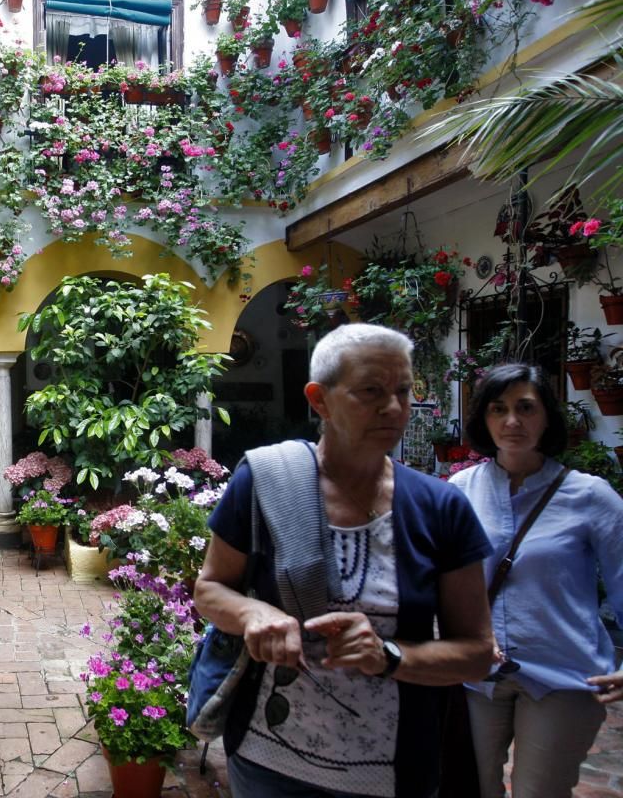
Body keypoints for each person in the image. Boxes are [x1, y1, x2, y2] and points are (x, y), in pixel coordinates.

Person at [195, 323, 495, 798]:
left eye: (403, 390)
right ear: (319, 400)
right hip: (269, 759)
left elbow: (477, 654)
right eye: (370, 391)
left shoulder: (441, 509)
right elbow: (210, 589)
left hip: (394, 769)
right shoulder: (265, 481)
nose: (394, 408)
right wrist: (255, 612)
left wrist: (390, 656)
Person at [448, 363, 623, 798]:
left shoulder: (589, 495)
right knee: (469, 788)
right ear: (482, 419)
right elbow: (438, 582)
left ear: (547, 416)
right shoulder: (458, 491)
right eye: (498, 408)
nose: (512, 421)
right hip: (475, 676)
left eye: (526, 408)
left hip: (562, 673)